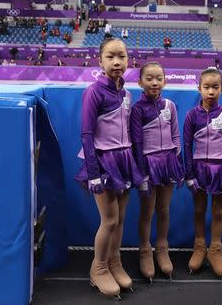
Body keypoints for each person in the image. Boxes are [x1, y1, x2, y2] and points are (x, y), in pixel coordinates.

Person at [75, 38, 144, 299]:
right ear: (100, 61)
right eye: (111, 57)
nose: (117, 62)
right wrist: (93, 172)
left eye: (122, 57)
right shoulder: (94, 91)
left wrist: (135, 164)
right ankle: (99, 267)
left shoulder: (126, 93)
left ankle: (115, 263)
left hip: (124, 161)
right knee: (110, 219)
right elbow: (86, 133)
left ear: (128, 60)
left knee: (121, 219)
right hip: (103, 161)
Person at [130, 62, 184, 282]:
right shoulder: (137, 109)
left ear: (165, 80)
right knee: (148, 211)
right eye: (149, 78)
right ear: (140, 82)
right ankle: (145, 249)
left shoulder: (170, 105)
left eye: (159, 78)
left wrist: (175, 161)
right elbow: (136, 142)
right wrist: (142, 173)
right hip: (148, 165)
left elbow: (176, 136)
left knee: (164, 209)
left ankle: (162, 247)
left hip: (168, 162)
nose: (154, 82)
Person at [183, 68, 222, 279]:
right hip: (198, 169)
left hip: (220, 169)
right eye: (206, 87)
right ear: (199, 89)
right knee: (198, 210)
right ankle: (199, 246)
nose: (211, 92)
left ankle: (215, 249)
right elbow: (187, 146)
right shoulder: (191, 115)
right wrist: (189, 174)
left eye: (215, 87)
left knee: (217, 212)